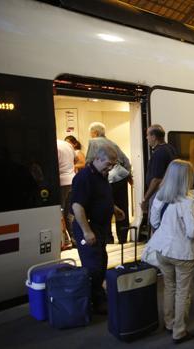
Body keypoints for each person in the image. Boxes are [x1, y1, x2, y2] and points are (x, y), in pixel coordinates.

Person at [147, 160, 194, 344]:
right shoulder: (187, 200)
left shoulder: (159, 196)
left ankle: (169, 322)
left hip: (162, 249)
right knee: (183, 291)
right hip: (182, 253)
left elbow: (154, 222)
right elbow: (192, 231)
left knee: (169, 286)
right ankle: (179, 331)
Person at [70, 144, 125, 315]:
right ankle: (96, 301)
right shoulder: (84, 178)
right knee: (93, 265)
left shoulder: (101, 175)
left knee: (101, 262)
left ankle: (99, 297)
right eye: (108, 164)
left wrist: (114, 208)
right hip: (88, 227)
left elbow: (100, 197)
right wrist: (87, 232)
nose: (110, 168)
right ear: (97, 159)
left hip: (100, 227)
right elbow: (78, 206)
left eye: (112, 165)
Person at [86, 122, 132, 243]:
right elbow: (126, 161)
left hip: (108, 178)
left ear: (94, 133)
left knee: (106, 206)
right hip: (121, 176)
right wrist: (127, 174)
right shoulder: (112, 143)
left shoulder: (93, 141)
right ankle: (123, 238)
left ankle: (108, 238)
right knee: (122, 207)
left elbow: (89, 160)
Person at [141, 124, 177, 216]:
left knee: (155, 221)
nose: (146, 138)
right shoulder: (170, 148)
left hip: (159, 194)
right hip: (168, 193)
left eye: (148, 135)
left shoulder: (159, 153)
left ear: (153, 137)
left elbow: (156, 180)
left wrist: (145, 199)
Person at [56, 139, 76, 249]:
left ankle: (64, 241)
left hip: (61, 182)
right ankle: (75, 240)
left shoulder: (53, 145)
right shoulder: (67, 144)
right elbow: (75, 159)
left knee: (60, 212)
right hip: (72, 180)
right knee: (70, 213)